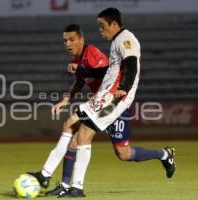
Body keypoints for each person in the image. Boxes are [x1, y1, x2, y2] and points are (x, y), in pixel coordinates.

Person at [56, 8, 176, 198]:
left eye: (103, 27)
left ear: (114, 24)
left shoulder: (126, 39)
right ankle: (69, 185)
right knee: (102, 145)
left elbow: (132, 65)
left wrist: (125, 88)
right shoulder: (116, 43)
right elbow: (107, 72)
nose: (101, 32)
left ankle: (74, 186)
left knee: (96, 139)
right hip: (106, 98)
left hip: (115, 100)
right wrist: (82, 71)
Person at [28, 23, 110, 195]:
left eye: (72, 40)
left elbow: (107, 76)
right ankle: (64, 185)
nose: (68, 44)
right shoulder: (77, 58)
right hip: (100, 101)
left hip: (110, 101)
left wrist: (82, 74)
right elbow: (80, 80)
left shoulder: (93, 55)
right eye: (65, 40)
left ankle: (50, 177)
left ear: (82, 39)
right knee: (74, 137)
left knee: (74, 127)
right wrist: (66, 100)